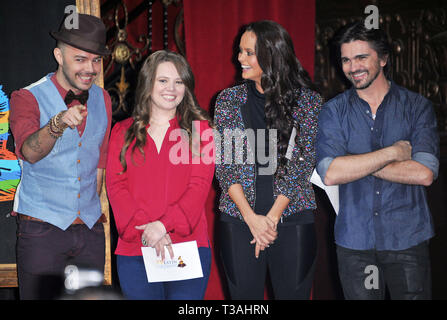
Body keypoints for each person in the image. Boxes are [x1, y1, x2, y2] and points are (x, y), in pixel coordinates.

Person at [316, 21, 439, 300]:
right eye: (346, 59)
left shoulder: (417, 107)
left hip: (408, 238)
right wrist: (392, 153)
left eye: (361, 57)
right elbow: (331, 173)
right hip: (354, 242)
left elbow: (424, 173)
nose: (352, 67)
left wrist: (354, 163)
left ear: (383, 58)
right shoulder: (333, 112)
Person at [214, 20, 323, 300]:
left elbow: (303, 163)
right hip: (238, 221)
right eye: (240, 51)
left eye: (248, 52)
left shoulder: (308, 102)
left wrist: (271, 219)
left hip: (293, 218)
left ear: (272, 55)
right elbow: (225, 165)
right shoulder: (228, 100)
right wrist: (251, 219)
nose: (239, 58)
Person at [9, 13, 112, 300]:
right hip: (42, 231)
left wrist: (92, 216)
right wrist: (58, 123)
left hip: (89, 233)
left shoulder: (104, 99)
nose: (89, 68)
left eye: (95, 60)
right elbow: (29, 152)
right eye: (80, 59)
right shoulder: (27, 97)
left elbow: (99, 160)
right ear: (58, 55)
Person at [106, 50, 214, 300]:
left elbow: (198, 188)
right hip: (136, 250)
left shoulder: (202, 131)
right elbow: (116, 186)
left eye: (179, 81)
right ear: (148, 83)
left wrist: (164, 225)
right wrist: (148, 231)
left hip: (188, 249)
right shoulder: (122, 131)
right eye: (163, 80)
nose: (172, 88)